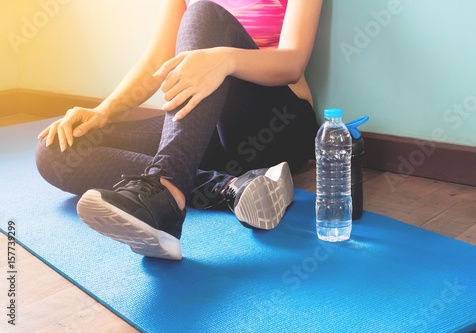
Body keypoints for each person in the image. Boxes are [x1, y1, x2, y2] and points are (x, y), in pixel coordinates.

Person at [35, 0, 322, 260]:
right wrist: (103, 111)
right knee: (57, 148)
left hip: (277, 125)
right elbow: (156, 64)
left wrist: (225, 61)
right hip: (200, 133)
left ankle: (167, 191)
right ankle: (228, 187)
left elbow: (292, 62)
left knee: (204, 12)